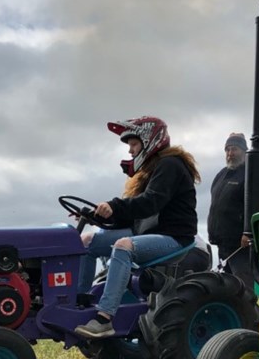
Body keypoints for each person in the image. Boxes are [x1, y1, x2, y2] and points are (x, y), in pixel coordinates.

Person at [74, 116, 201, 339]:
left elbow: (150, 202)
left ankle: (105, 318)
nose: (131, 151)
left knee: (123, 246)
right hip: (147, 232)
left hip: (173, 237)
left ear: (150, 140)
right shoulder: (151, 171)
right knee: (85, 242)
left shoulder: (170, 165)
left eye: (134, 144)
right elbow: (133, 216)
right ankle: (80, 302)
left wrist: (113, 206)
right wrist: (94, 215)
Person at [207, 132, 256, 292]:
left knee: (243, 285)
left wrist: (249, 233)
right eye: (227, 149)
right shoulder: (221, 175)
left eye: (234, 149)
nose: (230, 153)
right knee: (227, 287)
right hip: (223, 244)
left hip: (241, 245)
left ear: (244, 151)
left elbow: (258, 205)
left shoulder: (252, 173)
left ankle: (250, 316)